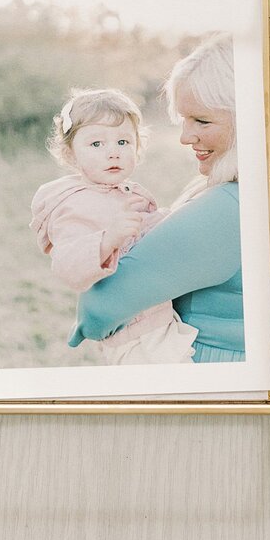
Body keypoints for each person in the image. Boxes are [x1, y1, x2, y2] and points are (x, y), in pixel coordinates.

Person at [67, 34, 245, 363]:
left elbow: (98, 309)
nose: (184, 136)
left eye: (202, 120)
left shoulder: (229, 208)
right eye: (183, 119)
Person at [30, 87, 197, 364]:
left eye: (123, 142)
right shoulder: (73, 205)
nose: (113, 153)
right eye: (97, 144)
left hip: (158, 317)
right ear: (70, 154)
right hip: (133, 334)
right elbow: (67, 265)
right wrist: (108, 238)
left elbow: (148, 231)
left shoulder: (126, 192)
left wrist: (177, 218)